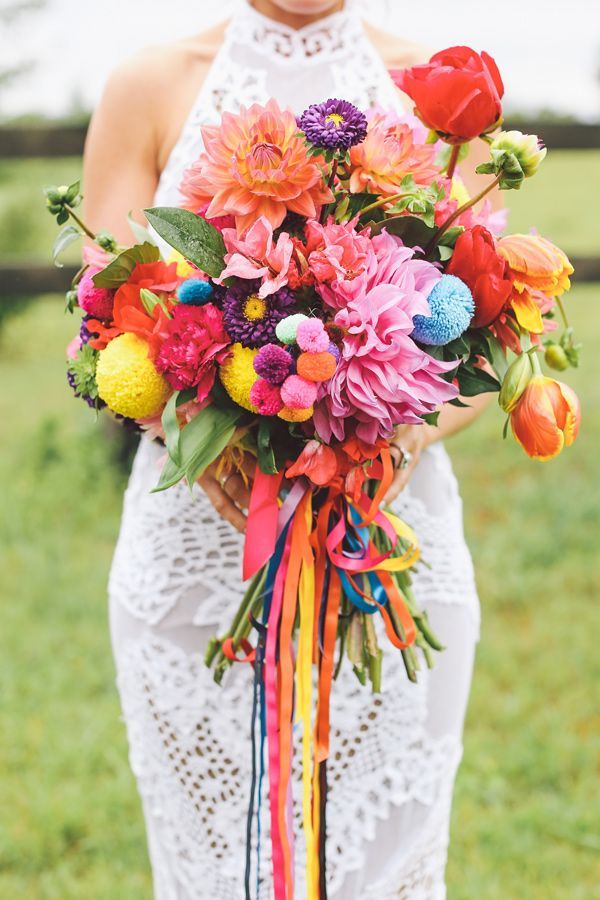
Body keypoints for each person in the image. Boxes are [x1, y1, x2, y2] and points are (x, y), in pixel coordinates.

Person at [83, 1, 499, 896]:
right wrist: (199, 436)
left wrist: (395, 439)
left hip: (384, 544)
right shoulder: (148, 85)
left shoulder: (435, 85)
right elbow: (104, 319)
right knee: (210, 863)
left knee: (384, 864)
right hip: (201, 550)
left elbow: (491, 332)